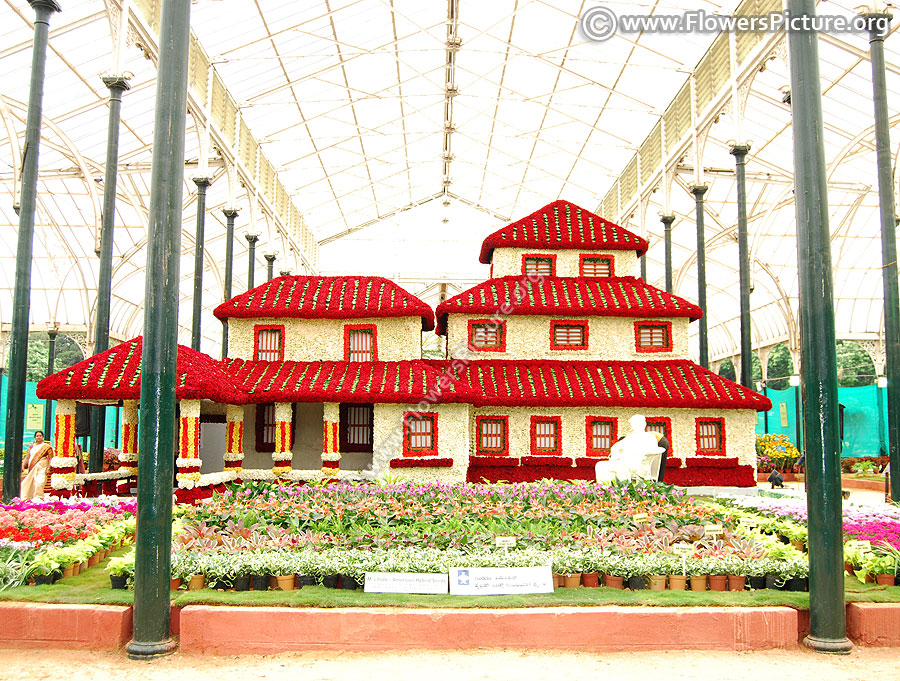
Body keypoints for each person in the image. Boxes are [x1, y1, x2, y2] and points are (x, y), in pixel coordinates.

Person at [595, 415, 664, 483]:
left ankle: (624, 490)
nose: (634, 426)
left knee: (622, 466)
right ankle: (605, 490)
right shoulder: (630, 437)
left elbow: (654, 450)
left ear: (643, 424)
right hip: (626, 462)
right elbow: (616, 447)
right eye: (633, 424)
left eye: (636, 423)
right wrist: (616, 453)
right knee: (601, 465)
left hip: (639, 464)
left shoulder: (649, 437)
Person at [20, 430, 54, 499]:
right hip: (32, 468)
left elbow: (51, 459)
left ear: (43, 437)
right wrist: (23, 466)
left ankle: (39, 498)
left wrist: (49, 468)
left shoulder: (47, 447)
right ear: (35, 437)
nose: (38, 437)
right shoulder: (31, 447)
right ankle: (29, 498)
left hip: (42, 467)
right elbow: (27, 458)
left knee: (40, 482)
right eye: (37, 436)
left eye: (40, 436)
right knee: (30, 483)